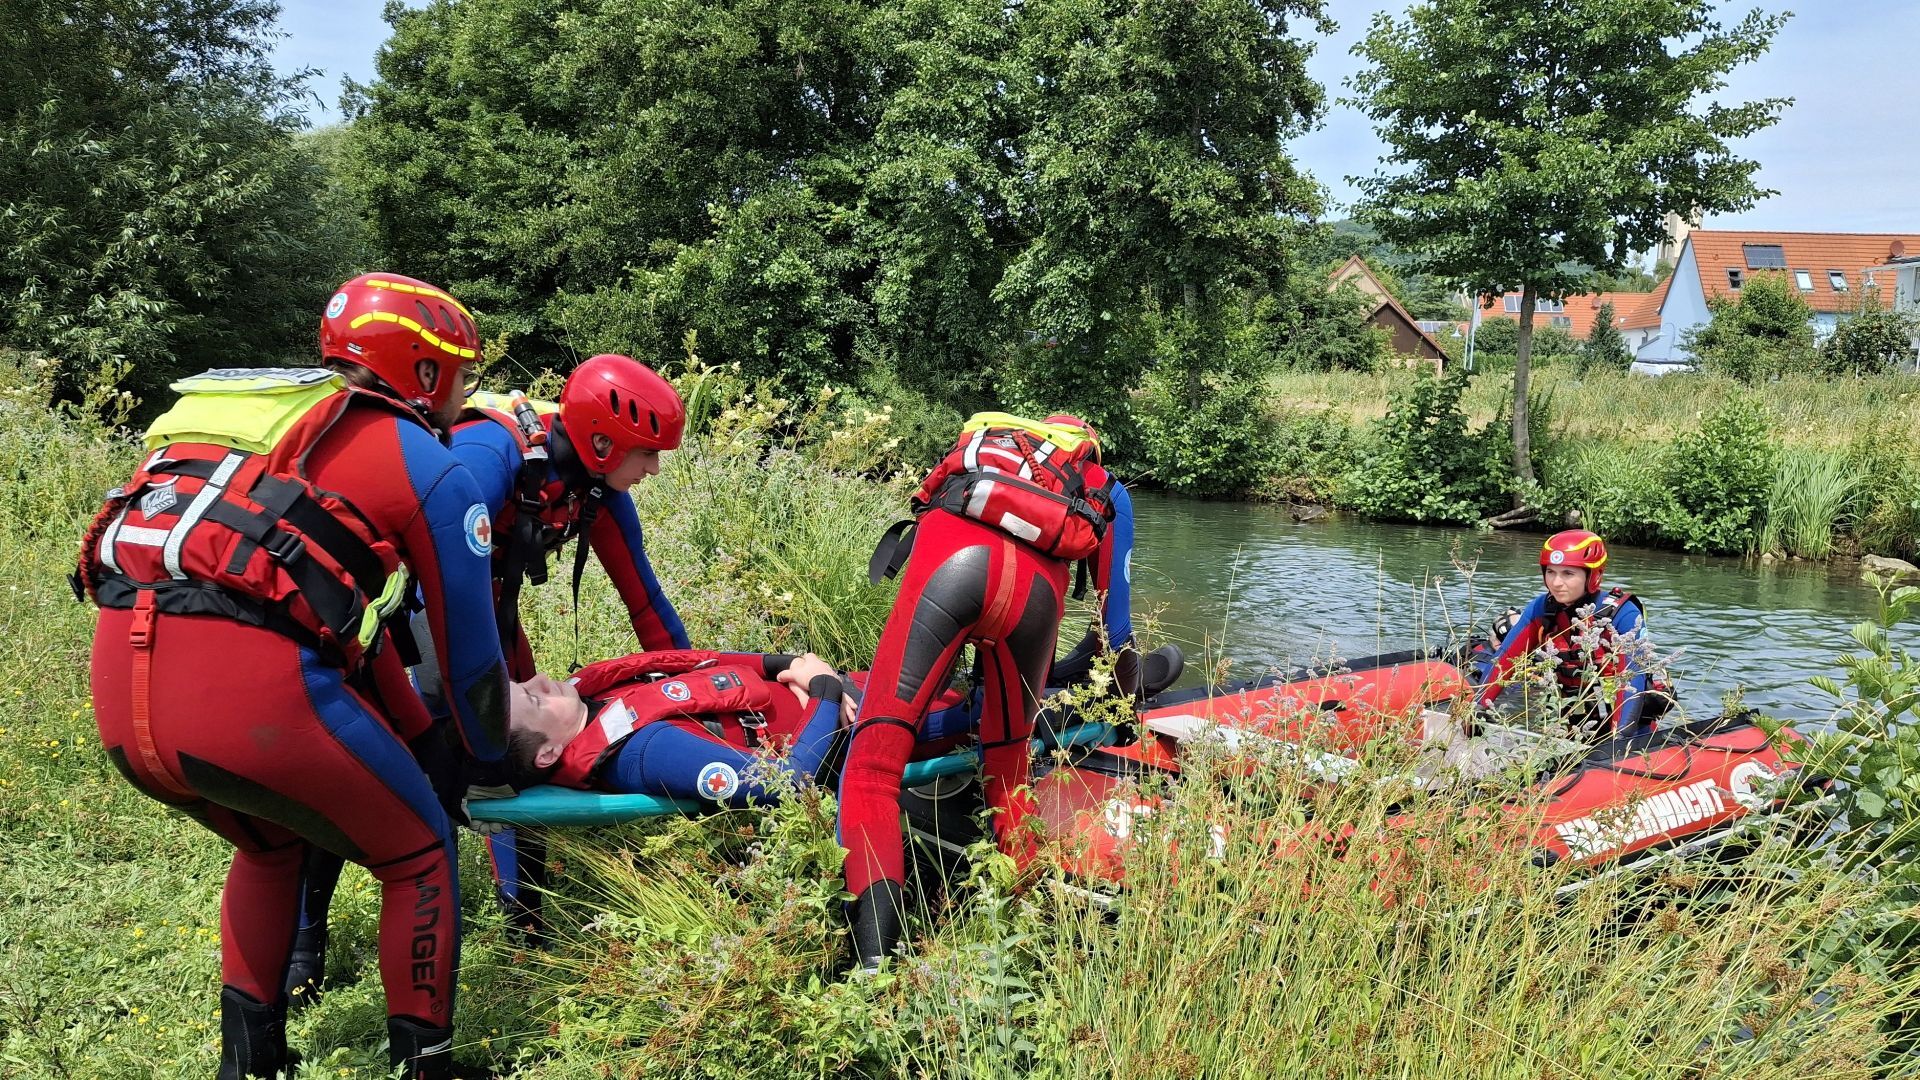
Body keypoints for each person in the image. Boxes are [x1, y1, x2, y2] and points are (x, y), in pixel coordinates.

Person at [78, 274, 513, 1079]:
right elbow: (473, 658)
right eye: (463, 374)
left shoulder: (261, 425)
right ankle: (429, 1065)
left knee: (272, 845)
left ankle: (248, 1064)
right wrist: (485, 759)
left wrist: (414, 731)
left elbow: (346, 619)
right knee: (418, 851)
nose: (464, 394)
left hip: (119, 695)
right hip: (246, 705)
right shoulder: (425, 458)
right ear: (424, 373)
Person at [285, 354, 690, 985]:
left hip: (484, 619)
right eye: (648, 453)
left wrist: (686, 694)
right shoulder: (489, 453)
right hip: (404, 617)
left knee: (510, 761)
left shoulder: (596, 490)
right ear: (604, 441)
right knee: (370, 767)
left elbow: (647, 603)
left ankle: (523, 923)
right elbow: (424, 564)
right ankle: (305, 943)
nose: (655, 468)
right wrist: (452, 686)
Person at [841, 411, 1116, 971]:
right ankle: (1025, 944)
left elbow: (926, 506)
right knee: (1010, 776)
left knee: (871, 772)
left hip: (953, 567)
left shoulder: (985, 449)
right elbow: (1114, 617)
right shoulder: (1092, 486)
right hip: (1038, 598)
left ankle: (873, 975)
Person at [492, 651, 980, 800]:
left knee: (964, 680)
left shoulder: (596, 699)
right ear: (549, 754)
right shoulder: (646, 752)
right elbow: (789, 785)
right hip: (855, 732)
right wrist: (825, 690)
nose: (539, 678)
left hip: (835, 694)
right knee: (985, 707)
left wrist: (786, 664)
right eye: (533, 697)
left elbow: (700, 666)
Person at [1472, 529, 1661, 736]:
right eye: (1551, 572)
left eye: (1568, 573)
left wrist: (1619, 739)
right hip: (1573, 724)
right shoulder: (1541, 609)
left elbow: (1631, 682)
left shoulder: (1623, 614)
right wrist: (1476, 708)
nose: (1556, 582)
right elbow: (1506, 659)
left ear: (1593, 576)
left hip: (1629, 728)